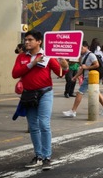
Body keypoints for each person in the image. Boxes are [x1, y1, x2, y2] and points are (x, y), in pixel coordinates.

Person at [12, 30, 68, 170]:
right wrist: (32, 63)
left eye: (30, 40)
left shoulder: (48, 56)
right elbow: (15, 73)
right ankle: (38, 156)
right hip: (28, 95)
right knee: (33, 126)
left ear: (39, 41)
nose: (26, 42)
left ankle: (47, 157)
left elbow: (60, 74)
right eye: (26, 40)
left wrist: (65, 66)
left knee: (44, 124)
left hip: (45, 93)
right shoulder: (21, 57)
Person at [62, 41, 103, 117]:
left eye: (82, 48)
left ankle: (73, 111)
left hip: (90, 77)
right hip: (90, 77)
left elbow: (96, 65)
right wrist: (75, 77)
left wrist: (87, 67)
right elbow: (82, 69)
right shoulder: (83, 56)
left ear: (86, 47)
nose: (80, 50)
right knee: (97, 92)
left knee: (79, 93)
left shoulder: (91, 55)